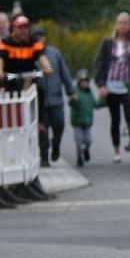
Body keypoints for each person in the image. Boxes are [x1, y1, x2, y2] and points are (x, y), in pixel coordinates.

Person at [93, 12, 130, 162]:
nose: (122, 25)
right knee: (115, 119)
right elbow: (99, 63)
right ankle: (117, 150)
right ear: (116, 25)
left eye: (126, 23)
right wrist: (100, 84)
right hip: (111, 84)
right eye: (120, 22)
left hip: (127, 85)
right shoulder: (108, 43)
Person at [30, 25, 75, 166]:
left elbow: (65, 73)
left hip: (56, 98)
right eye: (35, 36)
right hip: (40, 100)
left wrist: (71, 91)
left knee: (59, 125)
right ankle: (44, 156)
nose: (39, 39)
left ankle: (55, 146)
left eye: (41, 36)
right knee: (42, 129)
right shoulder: (30, 55)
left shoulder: (55, 53)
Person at [0, 15, 51, 92]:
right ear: (13, 29)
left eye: (25, 28)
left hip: (29, 80)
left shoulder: (34, 42)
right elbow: (0, 59)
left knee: (40, 92)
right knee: (6, 93)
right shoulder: (5, 43)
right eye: (20, 28)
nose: (23, 31)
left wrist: (47, 67)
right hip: (9, 80)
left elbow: (42, 57)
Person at [70, 69, 98, 167]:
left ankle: (86, 150)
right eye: (82, 81)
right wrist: (73, 100)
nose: (84, 83)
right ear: (79, 82)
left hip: (87, 122)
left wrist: (104, 101)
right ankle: (79, 157)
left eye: (86, 81)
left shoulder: (89, 93)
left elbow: (95, 104)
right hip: (77, 121)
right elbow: (70, 103)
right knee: (79, 140)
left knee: (88, 140)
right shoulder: (75, 91)